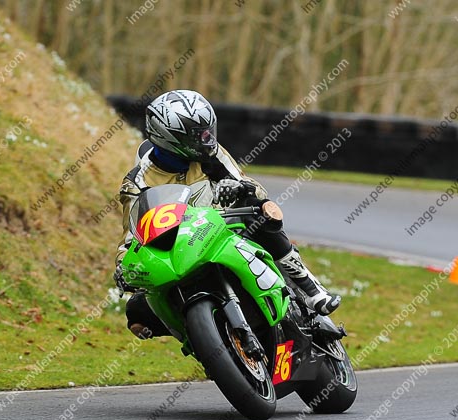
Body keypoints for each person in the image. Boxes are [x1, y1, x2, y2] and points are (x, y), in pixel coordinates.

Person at [114, 90, 339, 339]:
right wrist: (124, 268)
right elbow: (131, 238)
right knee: (136, 310)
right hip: (179, 245)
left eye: (207, 130)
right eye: (196, 135)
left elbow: (251, 186)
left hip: (223, 223)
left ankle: (307, 285)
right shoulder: (137, 183)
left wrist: (238, 189)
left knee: (261, 211)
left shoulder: (210, 153)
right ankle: (201, 337)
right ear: (168, 137)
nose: (206, 139)